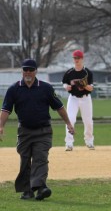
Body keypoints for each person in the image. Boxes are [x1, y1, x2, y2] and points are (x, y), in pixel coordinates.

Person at [0, 59, 75, 200]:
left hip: (43, 131)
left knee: (41, 158)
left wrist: (68, 124)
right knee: (25, 160)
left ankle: (41, 188)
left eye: (31, 70)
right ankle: (27, 190)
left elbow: (59, 107)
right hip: (24, 131)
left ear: (36, 71)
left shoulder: (46, 88)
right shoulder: (13, 89)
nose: (28, 72)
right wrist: (1, 126)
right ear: (22, 71)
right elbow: (5, 110)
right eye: (25, 69)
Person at [62, 49, 95, 151]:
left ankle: (89, 141)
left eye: (78, 58)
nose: (76, 60)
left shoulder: (87, 72)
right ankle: (69, 143)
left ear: (82, 59)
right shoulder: (69, 72)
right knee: (70, 120)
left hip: (85, 98)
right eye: (75, 58)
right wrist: (66, 86)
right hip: (73, 98)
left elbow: (91, 88)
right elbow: (64, 83)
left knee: (88, 121)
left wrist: (84, 85)